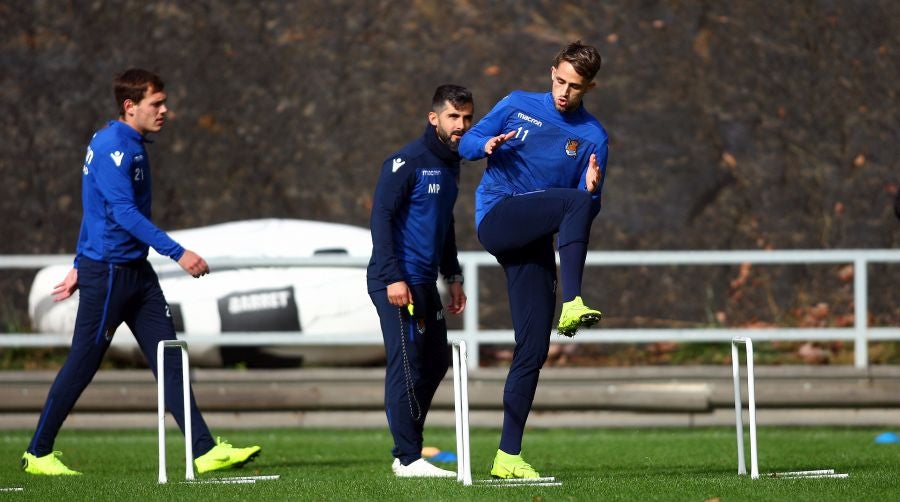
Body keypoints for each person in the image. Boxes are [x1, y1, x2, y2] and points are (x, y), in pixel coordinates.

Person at [21, 68, 261, 476]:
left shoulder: (131, 142)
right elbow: (120, 212)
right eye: (156, 103)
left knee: (170, 358)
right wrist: (177, 252)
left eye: (164, 102)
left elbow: (93, 209)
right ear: (130, 107)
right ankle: (38, 452)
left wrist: (78, 262)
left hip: (136, 273)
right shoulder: (113, 145)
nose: (165, 110)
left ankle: (203, 450)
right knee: (84, 360)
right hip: (110, 274)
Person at [458, 41, 607, 479]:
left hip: (536, 238)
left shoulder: (594, 136)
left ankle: (507, 455)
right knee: (575, 201)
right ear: (551, 72)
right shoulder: (517, 104)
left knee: (533, 347)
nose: (563, 92)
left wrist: (594, 191)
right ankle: (575, 301)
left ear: (589, 87)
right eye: (559, 80)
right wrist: (485, 145)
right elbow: (465, 143)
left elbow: (584, 213)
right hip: (499, 216)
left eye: (575, 86)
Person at [367, 85, 473, 478]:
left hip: (426, 282)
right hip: (395, 282)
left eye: (466, 118)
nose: (461, 125)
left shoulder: (452, 164)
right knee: (407, 363)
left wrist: (453, 275)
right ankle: (408, 457)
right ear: (434, 118)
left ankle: (408, 447)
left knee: (437, 361)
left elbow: (444, 224)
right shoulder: (407, 160)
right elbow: (381, 219)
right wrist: (394, 277)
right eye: (453, 117)